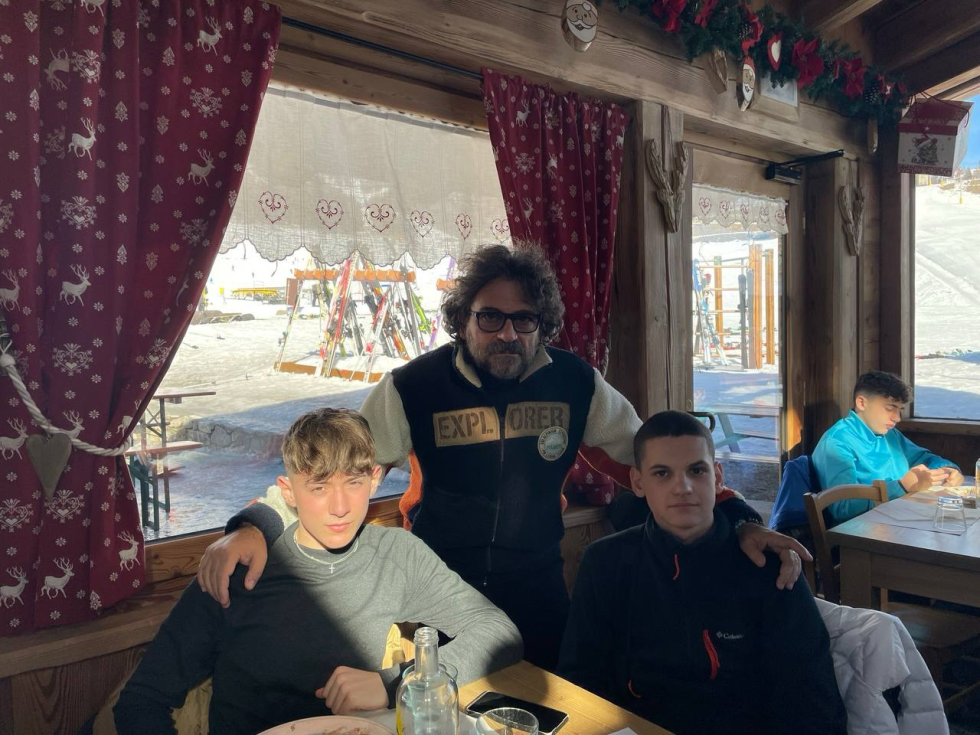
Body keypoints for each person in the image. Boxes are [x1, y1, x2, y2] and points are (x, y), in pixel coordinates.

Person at [197, 245, 808, 670]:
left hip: (538, 588)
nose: (507, 333)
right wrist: (254, 526)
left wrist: (739, 519)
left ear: (542, 326)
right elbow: (335, 473)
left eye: (523, 319)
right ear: (463, 319)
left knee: (547, 713)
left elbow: (658, 464)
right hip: (430, 591)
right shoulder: (413, 387)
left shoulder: (576, 383)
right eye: (490, 317)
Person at [115, 408, 522, 735]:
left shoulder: (397, 555)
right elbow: (141, 701)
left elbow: (499, 633)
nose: (341, 507)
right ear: (288, 491)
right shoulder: (236, 570)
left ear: (375, 480)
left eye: (354, 483)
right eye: (319, 487)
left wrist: (395, 682)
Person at [558, 411, 847, 735]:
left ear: (718, 477)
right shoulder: (605, 564)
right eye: (662, 473)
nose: (682, 487)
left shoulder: (769, 567)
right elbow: (579, 680)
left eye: (696, 470)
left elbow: (812, 702)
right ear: (638, 483)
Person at [812, 371, 962, 526]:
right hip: (862, 532)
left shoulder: (890, 434)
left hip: (905, 519)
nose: (897, 418)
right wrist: (902, 486)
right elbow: (842, 508)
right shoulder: (837, 443)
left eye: (900, 410)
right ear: (862, 403)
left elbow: (926, 458)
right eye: (890, 408)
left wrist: (947, 471)